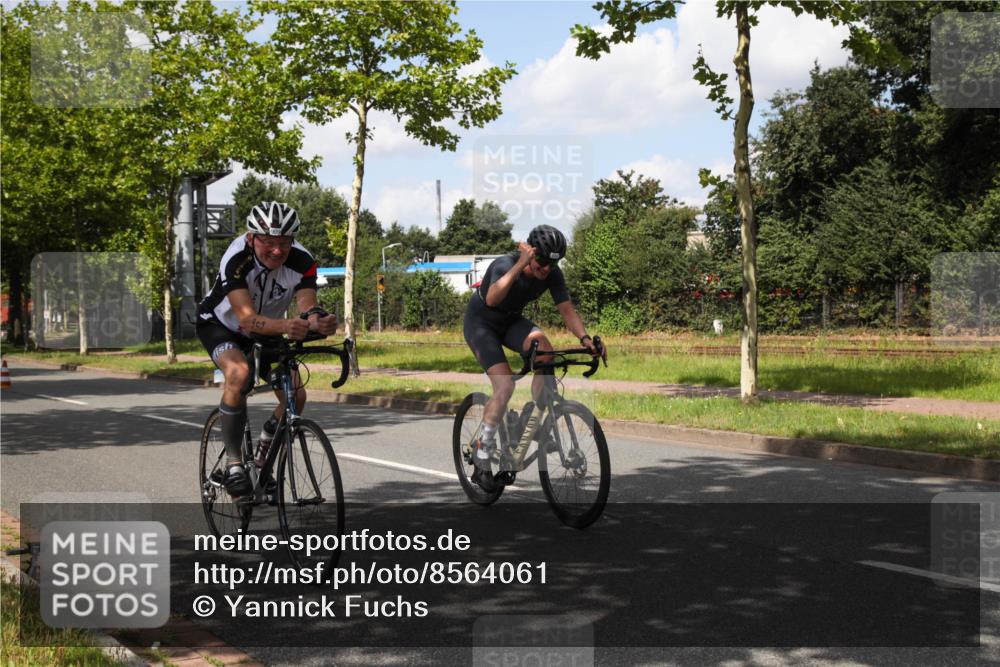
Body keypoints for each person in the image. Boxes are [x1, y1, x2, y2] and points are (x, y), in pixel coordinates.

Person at [196, 201, 338, 498]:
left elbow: (306, 304)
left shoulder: (302, 260)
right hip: (223, 326)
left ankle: (264, 454)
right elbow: (246, 319)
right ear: (252, 239)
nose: (277, 250)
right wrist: (288, 326)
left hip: (270, 327)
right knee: (239, 373)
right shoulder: (236, 258)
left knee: (296, 396)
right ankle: (235, 465)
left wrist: (318, 320)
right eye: (269, 243)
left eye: (284, 243)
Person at [462, 224, 606, 491]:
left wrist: (585, 339)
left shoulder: (552, 274)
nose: (545, 269)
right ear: (529, 252)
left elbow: (567, 310)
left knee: (547, 353)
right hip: (481, 324)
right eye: (540, 260)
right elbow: (493, 299)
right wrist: (521, 265)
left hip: (510, 322)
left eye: (553, 263)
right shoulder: (505, 265)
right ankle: (482, 454)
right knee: (505, 386)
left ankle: (532, 416)